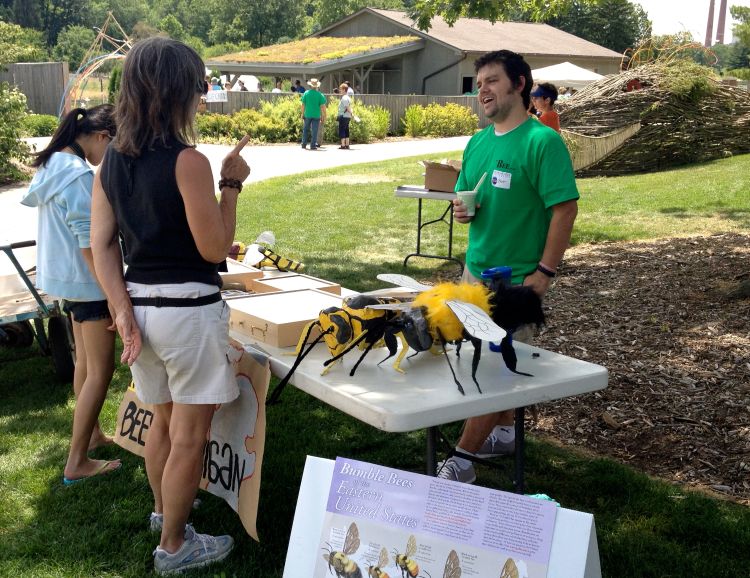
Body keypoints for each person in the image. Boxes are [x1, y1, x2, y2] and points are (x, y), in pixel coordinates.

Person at [90, 37, 251, 574]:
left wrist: (120, 308)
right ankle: (176, 545)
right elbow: (212, 248)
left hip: (141, 309)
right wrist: (230, 185)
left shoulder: (110, 160)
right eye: (200, 84)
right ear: (178, 90)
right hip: (187, 312)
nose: (204, 94)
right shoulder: (188, 161)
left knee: (161, 424)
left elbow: (102, 245)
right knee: (189, 437)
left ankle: (166, 512)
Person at [442, 49, 579, 484]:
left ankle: (461, 462)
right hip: (474, 271)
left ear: (519, 85)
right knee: (480, 362)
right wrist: (463, 210)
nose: (482, 89)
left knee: (491, 371)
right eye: (478, 82)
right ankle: (503, 433)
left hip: (517, 280)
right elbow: (466, 196)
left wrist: (545, 272)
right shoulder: (478, 142)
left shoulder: (543, 142)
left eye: (492, 81)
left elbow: (565, 210)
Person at [21, 105, 120, 485]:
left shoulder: (53, 166)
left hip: (66, 283)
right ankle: (76, 460)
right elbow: (89, 243)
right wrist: (113, 293)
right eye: (110, 147)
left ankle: (92, 436)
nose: (107, 158)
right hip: (88, 283)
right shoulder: (79, 177)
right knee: (101, 370)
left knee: (85, 366)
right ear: (100, 137)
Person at [300, 78, 326, 150]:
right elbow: (323, 107)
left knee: (305, 129)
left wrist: (302, 113)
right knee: (314, 131)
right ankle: (313, 145)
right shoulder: (320, 95)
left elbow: (303, 105)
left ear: (310, 85)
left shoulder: (306, 93)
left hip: (307, 114)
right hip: (316, 115)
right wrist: (324, 115)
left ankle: (304, 144)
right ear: (317, 86)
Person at [337, 83, 353, 149]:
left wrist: (351, 113)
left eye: (341, 89)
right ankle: (347, 144)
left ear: (344, 90)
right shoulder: (348, 98)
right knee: (346, 130)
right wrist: (351, 113)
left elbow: (347, 107)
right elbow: (349, 107)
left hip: (343, 116)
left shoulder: (344, 98)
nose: (340, 91)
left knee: (342, 130)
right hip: (347, 116)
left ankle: (343, 145)